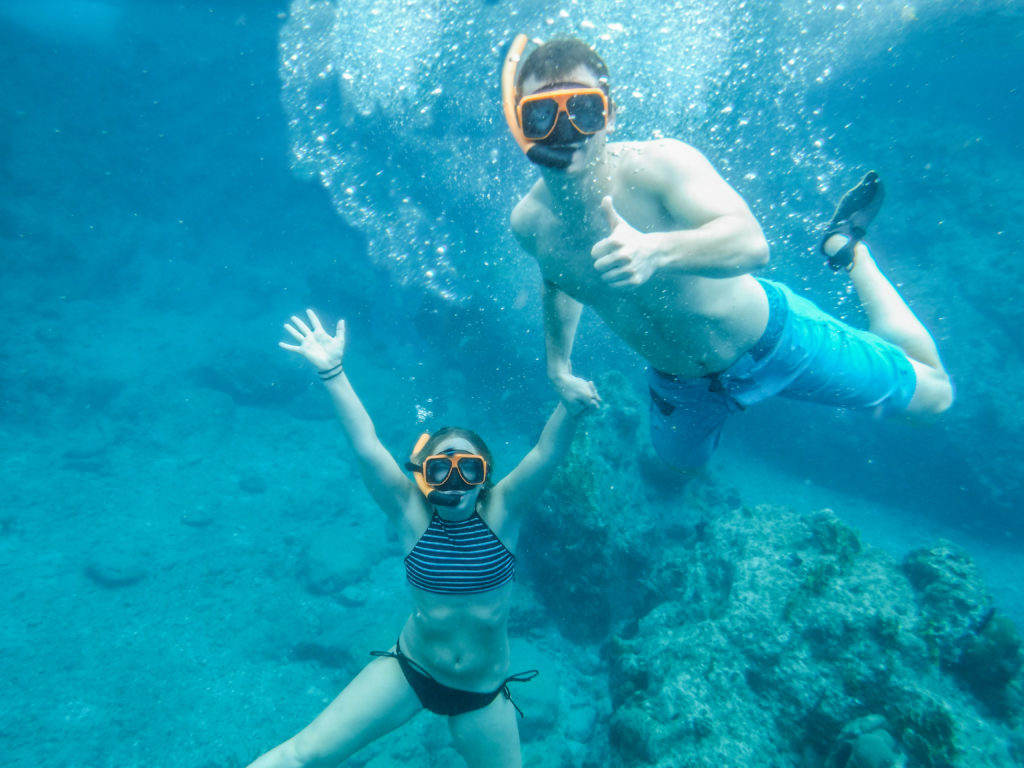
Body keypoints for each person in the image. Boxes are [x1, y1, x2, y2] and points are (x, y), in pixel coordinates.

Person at [500, 35, 953, 475]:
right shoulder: (530, 224)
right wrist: (558, 368)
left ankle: (849, 252)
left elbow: (752, 245)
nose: (566, 132)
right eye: (542, 114)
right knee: (681, 462)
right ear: (521, 125)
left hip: (775, 343)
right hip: (681, 384)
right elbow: (559, 280)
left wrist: (655, 249)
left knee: (933, 400)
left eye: (583, 110)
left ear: (611, 115)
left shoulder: (659, 166)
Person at [247, 309, 584, 768]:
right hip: (409, 671)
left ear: (486, 478)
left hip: (481, 696)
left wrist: (569, 406)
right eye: (440, 468)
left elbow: (546, 452)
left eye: (469, 469)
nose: (455, 480)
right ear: (425, 478)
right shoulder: (410, 512)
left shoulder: (504, 512)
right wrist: (332, 371)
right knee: (302, 754)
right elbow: (366, 444)